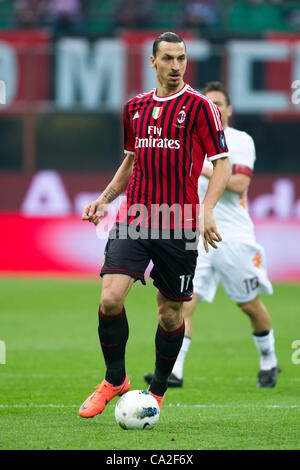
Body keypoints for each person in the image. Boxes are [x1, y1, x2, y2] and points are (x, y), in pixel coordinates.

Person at [78, 34, 231, 419]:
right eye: (168, 58)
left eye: (181, 58)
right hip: (136, 216)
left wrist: (207, 209)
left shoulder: (200, 108)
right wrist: (106, 198)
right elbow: (131, 161)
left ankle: (158, 391)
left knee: (170, 313)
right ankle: (115, 379)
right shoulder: (135, 108)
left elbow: (222, 163)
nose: (176, 65)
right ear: (153, 62)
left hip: (179, 221)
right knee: (110, 298)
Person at [144, 81, 279, 389]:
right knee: (184, 302)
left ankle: (269, 360)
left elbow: (239, 184)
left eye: (219, 103)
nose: (214, 108)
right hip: (194, 232)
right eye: (209, 104)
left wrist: (206, 166)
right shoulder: (188, 138)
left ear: (228, 110)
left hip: (232, 236)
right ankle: (174, 371)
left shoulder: (238, 140)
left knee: (248, 304)